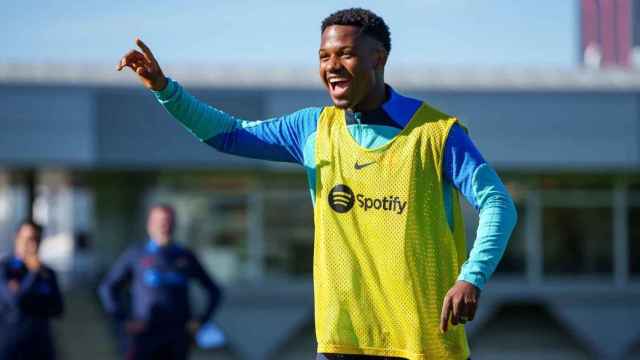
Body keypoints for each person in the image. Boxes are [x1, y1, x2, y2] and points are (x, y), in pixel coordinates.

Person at [117, 8, 517, 360]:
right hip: (342, 341)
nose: (332, 66)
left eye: (345, 54)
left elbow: (499, 203)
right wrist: (164, 89)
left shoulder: (436, 134)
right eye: (324, 56)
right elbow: (229, 134)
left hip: (424, 343)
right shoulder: (312, 128)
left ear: (378, 58)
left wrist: (471, 276)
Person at [99, 204, 222, 360]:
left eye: (168, 221)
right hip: (144, 335)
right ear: (150, 225)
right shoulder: (136, 254)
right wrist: (123, 319)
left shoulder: (185, 256)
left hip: (177, 336)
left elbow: (214, 290)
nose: (164, 226)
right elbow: (108, 287)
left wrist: (201, 320)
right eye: (160, 221)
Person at [0, 220, 64, 360]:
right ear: (17, 238)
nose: (33, 244)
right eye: (29, 239)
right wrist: (33, 273)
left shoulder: (47, 273)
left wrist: (25, 292)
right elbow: (15, 301)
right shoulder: (5, 268)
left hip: (41, 349)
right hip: (11, 349)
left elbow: (58, 308)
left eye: (37, 239)